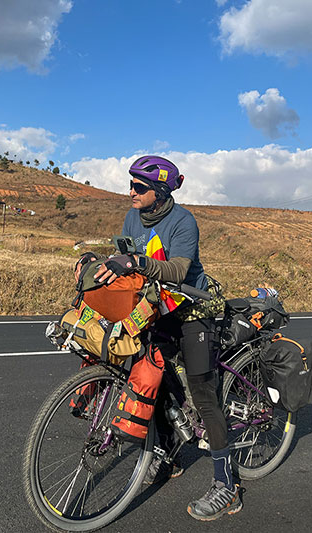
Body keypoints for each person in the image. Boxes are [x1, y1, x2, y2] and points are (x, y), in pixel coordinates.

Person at [84, 155, 240, 520]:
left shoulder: (184, 221)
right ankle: (167, 455)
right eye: (131, 185)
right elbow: (127, 258)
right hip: (154, 307)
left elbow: (177, 270)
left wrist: (136, 263)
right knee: (150, 380)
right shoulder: (133, 217)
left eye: (139, 187)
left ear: (160, 190)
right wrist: (106, 262)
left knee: (203, 394)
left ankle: (227, 485)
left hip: (191, 309)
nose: (131, 193)